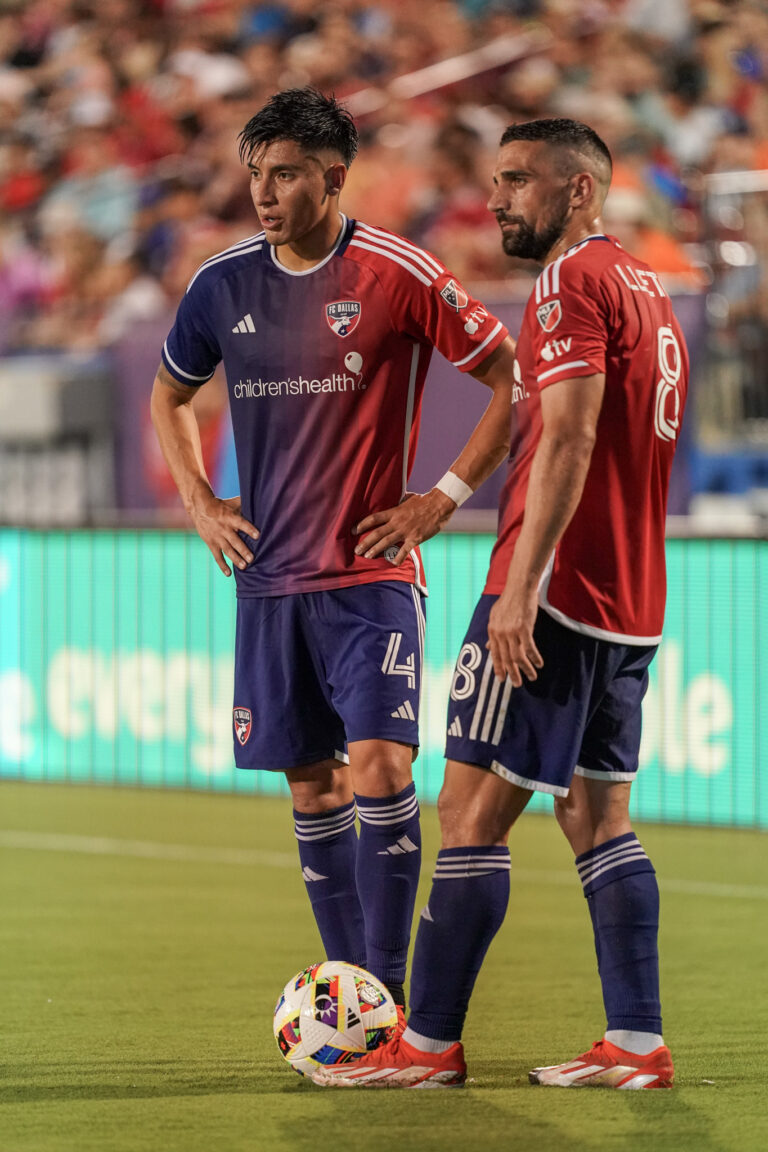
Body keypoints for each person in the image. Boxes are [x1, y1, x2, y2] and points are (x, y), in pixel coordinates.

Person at [313, 117, 689, 1089]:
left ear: (580, 192)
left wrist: (521, 586)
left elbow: (566, 437)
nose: (499, 198)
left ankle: (428, 1047)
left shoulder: (570, 282)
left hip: (553, 592)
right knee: (599, 819)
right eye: (496, 179)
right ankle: (636, 1045)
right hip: (631, 600)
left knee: (469, 810)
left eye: (520, 179)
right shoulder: (650, 288)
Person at [150, 87, 515, 1018]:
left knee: (384, 769)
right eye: (255, 176)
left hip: (370, 578)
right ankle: (357, 1009)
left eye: (283, 175)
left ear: (333, 176)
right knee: (313, 787)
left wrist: (443, 495)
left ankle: (387, 999)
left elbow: (511, 375)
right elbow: (169, 394)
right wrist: (200, 500)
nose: (264, 194)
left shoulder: (397, 271)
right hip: (267, 581)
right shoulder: (221, 282)